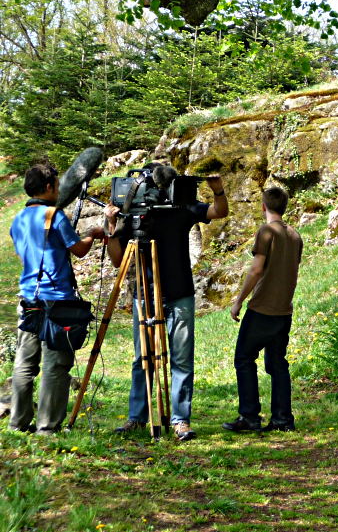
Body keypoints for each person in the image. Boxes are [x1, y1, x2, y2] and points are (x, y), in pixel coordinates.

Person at [106, 163, 228, 441]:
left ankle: (180, 420)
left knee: (181, 359)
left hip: (179, 293)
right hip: (144, 294)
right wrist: (111, 226)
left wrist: (218, 191)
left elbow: (218, 212)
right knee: (142, 358)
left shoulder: (181, 207)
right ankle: (137, 417)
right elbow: (116, 259)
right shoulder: (133, 213)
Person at [8, 163, 105, 434]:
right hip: (56, 302)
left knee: (25, 364)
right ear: (49, 187)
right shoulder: (55, 216)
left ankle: (18, 422)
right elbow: (79, 250)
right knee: (55, 365)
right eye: (57, 185)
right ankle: (47, 426)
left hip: (28, 298)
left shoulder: (17, 219)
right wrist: (92, 235)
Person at [223, 187, 302, 433]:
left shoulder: (266, 231)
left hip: (262, 309)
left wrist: (238, 300)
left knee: (244, 359)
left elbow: (257, 270)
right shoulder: (295, 235)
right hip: (283, 311)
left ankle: (249, 417)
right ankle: (282, 419)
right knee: (278, 364)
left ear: (263, 207)